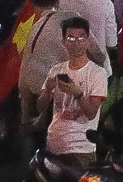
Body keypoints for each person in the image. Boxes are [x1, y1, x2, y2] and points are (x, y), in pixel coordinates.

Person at [40, 17, 108, 165]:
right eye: (71, 38)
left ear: (88, 40)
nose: (76, 43)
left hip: (80, 148)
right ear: (64, 41)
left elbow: (91, 113)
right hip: (53, 144)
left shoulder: (97, 73)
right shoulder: (57, 70)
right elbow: (40, 107)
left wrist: (77, 93)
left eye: (81, 38)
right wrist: (48, 90)